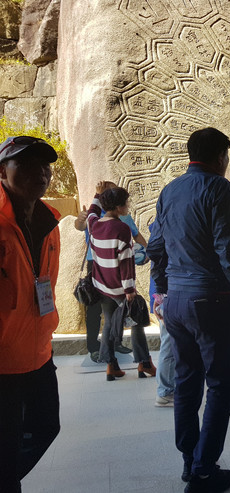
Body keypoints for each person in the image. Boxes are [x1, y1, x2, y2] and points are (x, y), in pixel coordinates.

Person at [147, 127, 230, 493]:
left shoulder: (170, 190)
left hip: (176, 302)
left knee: (186, 383)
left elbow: (156, 247)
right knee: (220, 385)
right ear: (221, 157)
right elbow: (228, 247)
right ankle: (204, 470)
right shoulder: (218, 188)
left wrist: (162, 290)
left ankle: (189, 460)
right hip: (211, 299)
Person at [0, 136, 61, 492]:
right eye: (25, 164)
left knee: (46, 427)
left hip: (39, 353)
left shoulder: (48, 222)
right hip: (3, 363)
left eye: (44, 165)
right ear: (2, 171)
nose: (40, 172)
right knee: (7, 452)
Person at [86, 182, 155, 381]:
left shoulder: (94, 224)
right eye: (126, 203)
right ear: (118, 207)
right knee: (137, 322)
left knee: (109, 322)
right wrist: (129, 289)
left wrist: (97, 194)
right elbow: (126, 262)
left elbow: (91, 212)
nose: (128, 206)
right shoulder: (122, 229)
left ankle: (111, 365)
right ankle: (144, 363)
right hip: (119, 288)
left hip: (102, 286)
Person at [149, 222, 175, 408]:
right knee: (169, 343)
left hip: (163, 294)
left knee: (169, 342)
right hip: (170, 294)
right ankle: (165, 391)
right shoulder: (170, 231)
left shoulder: (157, 231)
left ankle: (168, 389)